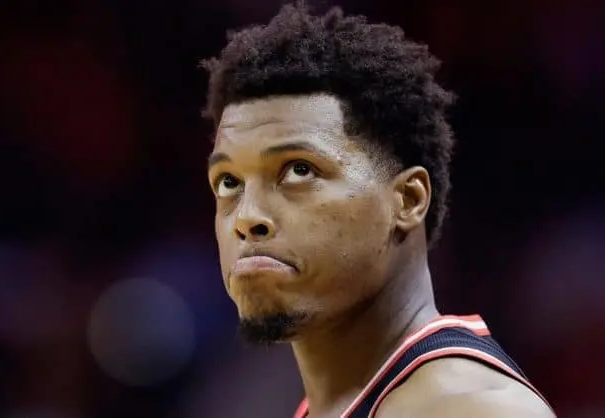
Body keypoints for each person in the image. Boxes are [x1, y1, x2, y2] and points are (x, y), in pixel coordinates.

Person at [202, 3, 555, 417]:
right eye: (229, 182)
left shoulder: (470, 407)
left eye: (299, 170)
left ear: (408, 200)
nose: (248, 217)